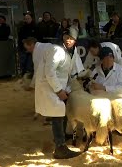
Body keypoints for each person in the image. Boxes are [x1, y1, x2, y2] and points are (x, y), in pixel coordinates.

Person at [34, 28, 83, 159]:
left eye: (71, 38)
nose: (68, 39)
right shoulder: (57, 50)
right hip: (49, 86)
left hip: (59, 86)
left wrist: (66, 87)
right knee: (57, 113)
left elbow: (67, 71)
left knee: (63, 110)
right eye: (66, 36)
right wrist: (59, 90)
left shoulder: (72, 51)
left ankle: (60, 136)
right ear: (62, 37)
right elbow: (49, 72)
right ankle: (60, 147)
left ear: (75, 40)